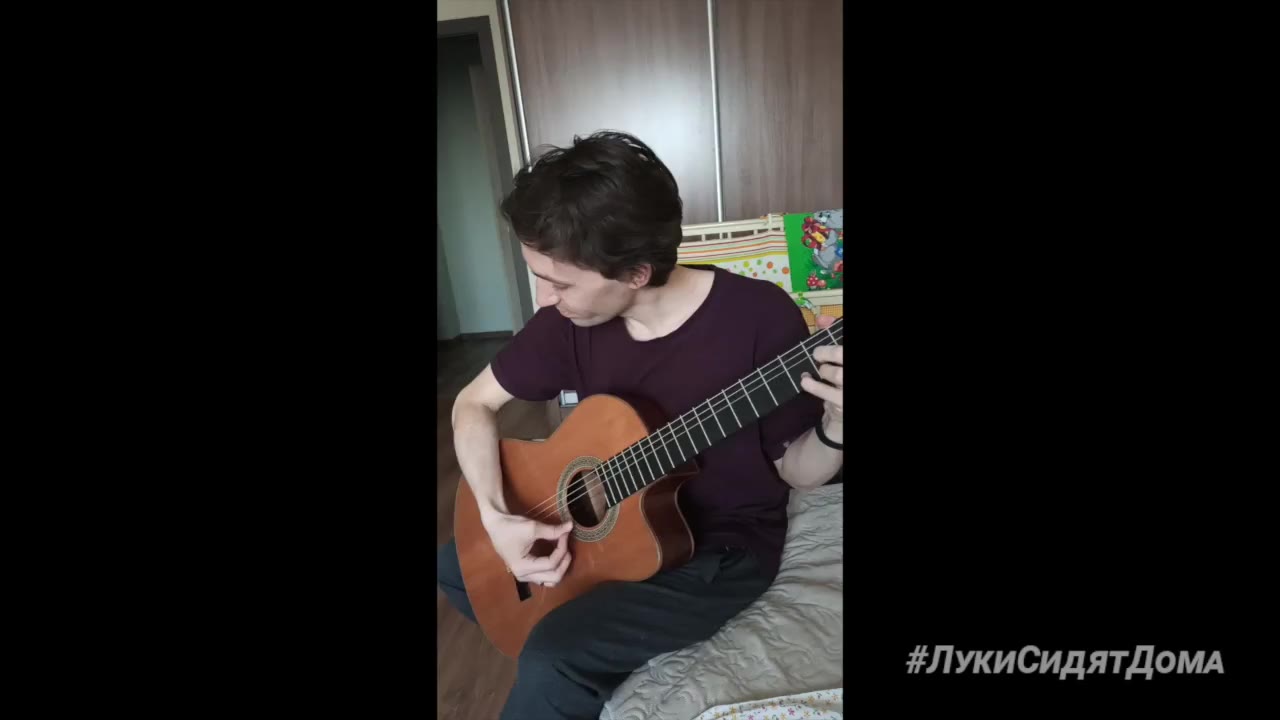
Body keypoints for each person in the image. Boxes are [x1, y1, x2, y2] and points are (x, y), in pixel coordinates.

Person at [437, 131, 844, 719]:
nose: (544, 298)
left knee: (555, 657)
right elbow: (471, 405)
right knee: (460, 568)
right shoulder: (566, 321)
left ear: (634, 273)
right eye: (538, 275)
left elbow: (798, 471)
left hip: (718, 549)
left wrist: (836, 425)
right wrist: (498, 519)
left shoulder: (758, 315)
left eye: (560, 282)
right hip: (613, 524)